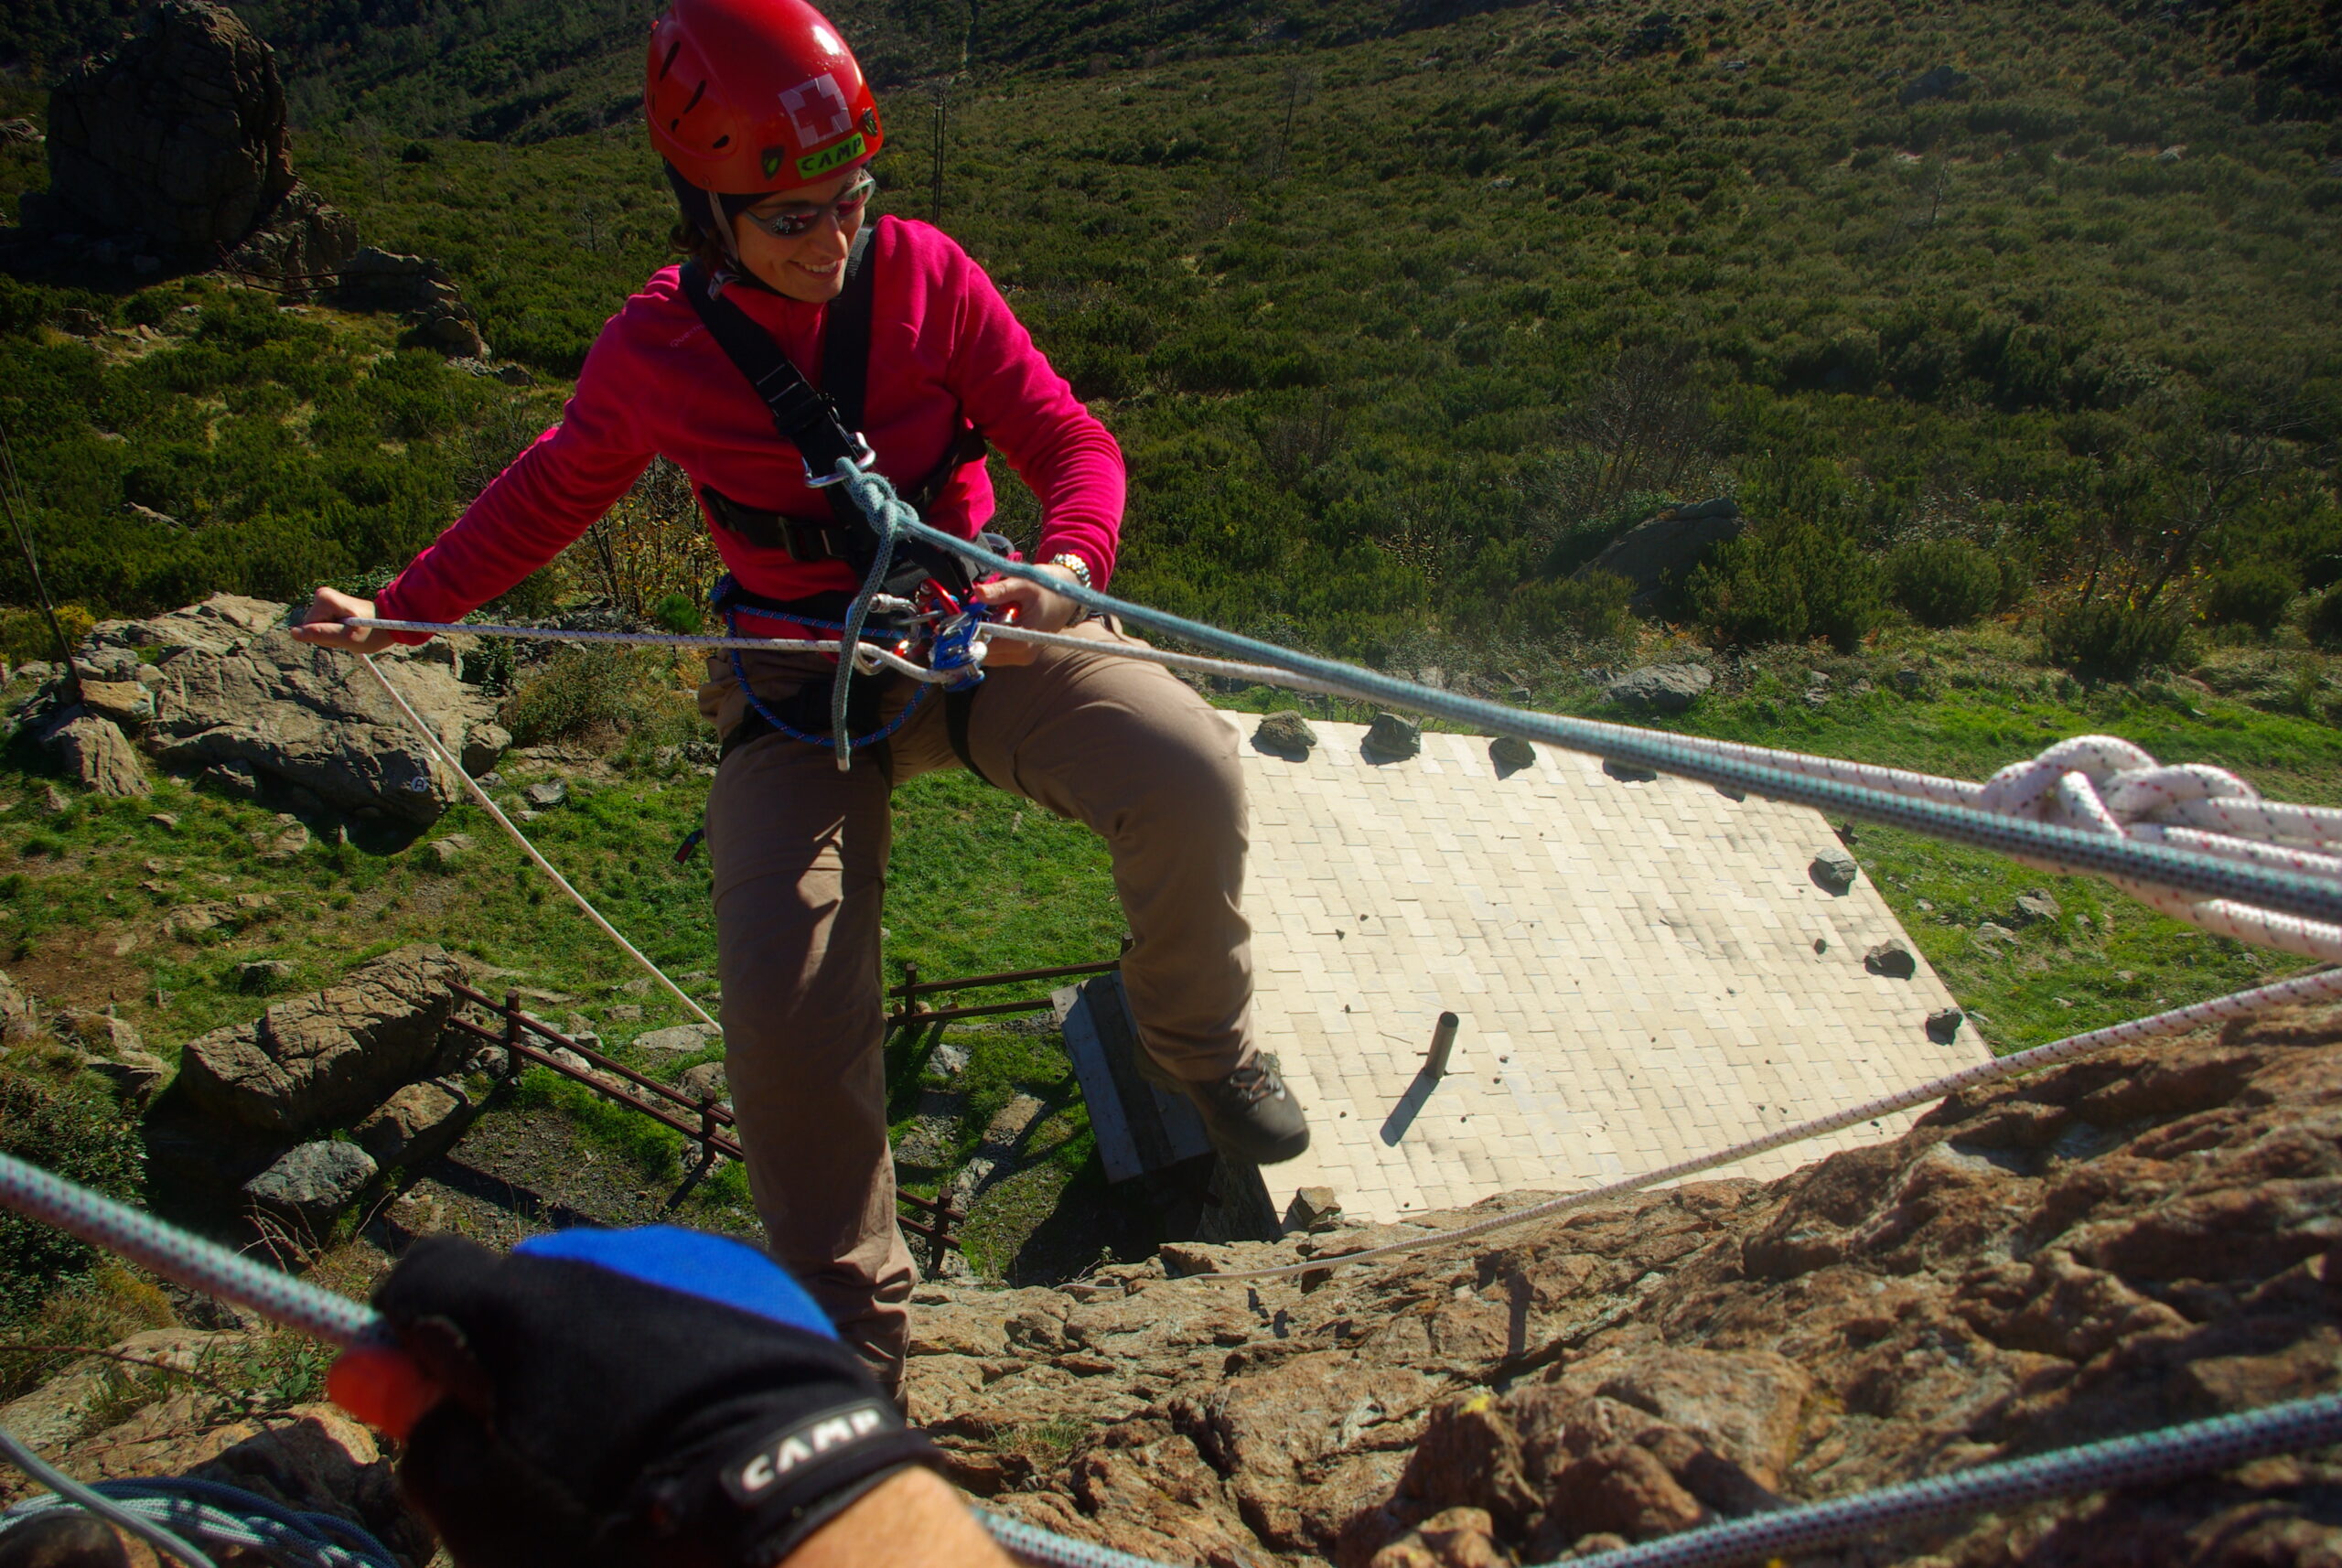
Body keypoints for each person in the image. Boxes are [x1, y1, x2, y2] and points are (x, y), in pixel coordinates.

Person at [291, 0, 1308, 1398]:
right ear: (704, 212)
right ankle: (855, 1342)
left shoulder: (928, 280)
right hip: (793, 685)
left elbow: (1068, 438)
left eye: (851, 202)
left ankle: (1200, 1040)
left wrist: (1065, 571)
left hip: (968, 633)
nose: (831, 242)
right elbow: (549, 492)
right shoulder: (659, 350)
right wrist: (405, 607)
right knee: (785, 1000)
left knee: (1187, 766)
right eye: (789, 220)